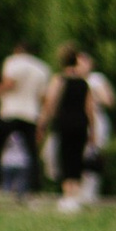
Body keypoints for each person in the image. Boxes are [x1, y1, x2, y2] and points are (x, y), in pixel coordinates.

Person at [39, 48, 93, 212]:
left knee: (65, 156)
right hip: (81, 124)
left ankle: (67, 195)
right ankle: (75, 195)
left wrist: (43, 123)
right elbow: (90, 108)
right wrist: (94, 130)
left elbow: (50, 102)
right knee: (77, 158)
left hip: (64, 123)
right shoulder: (84, 83)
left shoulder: (59, 79)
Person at [0, 45, 50, 194]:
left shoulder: (12, 62)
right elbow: (43, 97)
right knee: (31, 151)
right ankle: (34, 185)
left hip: (11, 111)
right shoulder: (42, 67)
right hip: (31, 113)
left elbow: (10, 83)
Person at [81, 59, 116, 203]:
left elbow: (109, 100)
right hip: (80, 119)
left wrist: (93, 95)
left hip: (96, 118)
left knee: (93, 155)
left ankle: (90, 193)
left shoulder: (96, 79)